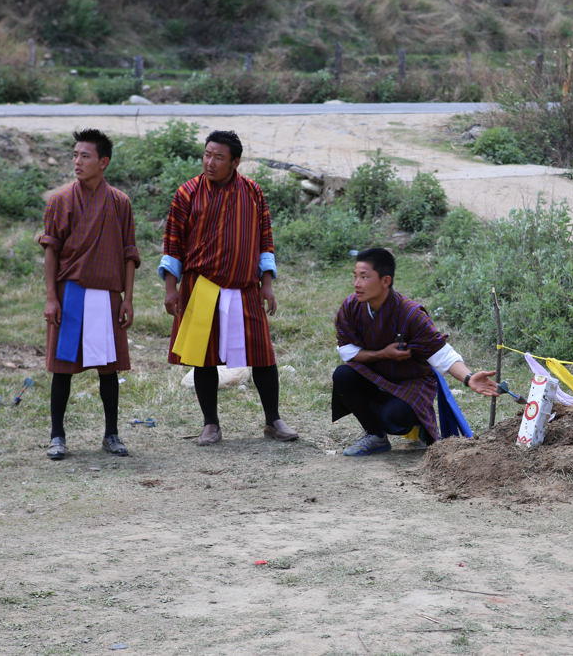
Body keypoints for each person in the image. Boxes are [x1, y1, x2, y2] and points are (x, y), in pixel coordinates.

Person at [159, 130, 297, 445]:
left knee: (263, 356)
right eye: (207, 154)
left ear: (235, 162)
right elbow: (173, 245)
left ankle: (273, 420)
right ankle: (211, 424)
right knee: (203, 357)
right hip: (200, 286)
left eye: (219, 157)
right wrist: (171, 288)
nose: (210, 162)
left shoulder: (252, 192)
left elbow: (265, 241)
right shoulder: (187, 193)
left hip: (245, 287)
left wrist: (267, 284)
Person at [332, 248, 499, 456]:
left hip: (410, 383)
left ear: (385, 281)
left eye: (364, 277)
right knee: (343, 375)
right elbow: (347, 351)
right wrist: (383, 354)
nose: (357, 284)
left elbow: (442, 354)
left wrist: (469, 377)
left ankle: (415, 423)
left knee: (397, 415)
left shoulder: (410, 313)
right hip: (373, 377)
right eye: (355, 277)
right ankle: (375, 435)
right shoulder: (351, 307)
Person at [40, 128, 140, 460]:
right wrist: (51, 297)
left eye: (85, 156)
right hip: (70, 293)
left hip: (107, 295)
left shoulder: (120, 202)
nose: (77, 162)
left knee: (108, 368)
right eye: (74, 155)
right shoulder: (61, 200)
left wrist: (127, 298)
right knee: (62, 367)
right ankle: (57, 436)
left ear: (103, 162)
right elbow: (51, 252)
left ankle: (111, 434)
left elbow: (129, 254)